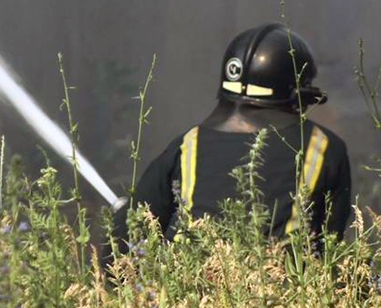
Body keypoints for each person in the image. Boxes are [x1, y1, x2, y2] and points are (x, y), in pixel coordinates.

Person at [108, 23, 352, 253]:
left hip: (191, 282)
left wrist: (122, 216)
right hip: (279, 281)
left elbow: (124, 240)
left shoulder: (187, 144)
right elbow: (329, 244)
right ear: (298, 93)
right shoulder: (324, 148)